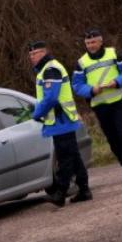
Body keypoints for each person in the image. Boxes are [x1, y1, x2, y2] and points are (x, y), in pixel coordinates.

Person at [27, 41, 92, 206]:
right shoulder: (46, 69)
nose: (32, 57)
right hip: (61, 120)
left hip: (61, 119)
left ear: (43, 52)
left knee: (65, 157)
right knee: (73, 155)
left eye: (34, 54)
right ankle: (84, 189)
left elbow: (50, 97)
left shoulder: (50, 69)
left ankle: (60, 193)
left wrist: (37, 112)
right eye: (30, 55)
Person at [72, 28, 122, 181]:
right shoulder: (81, 63)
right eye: (88, 43)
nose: (91, 45)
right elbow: (77, 85)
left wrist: (116, 82)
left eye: (93, 42)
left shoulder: (114, 54)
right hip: (99, 105)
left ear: (101, 41)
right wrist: (91, 90)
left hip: (118, 100)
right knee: (112, 137)